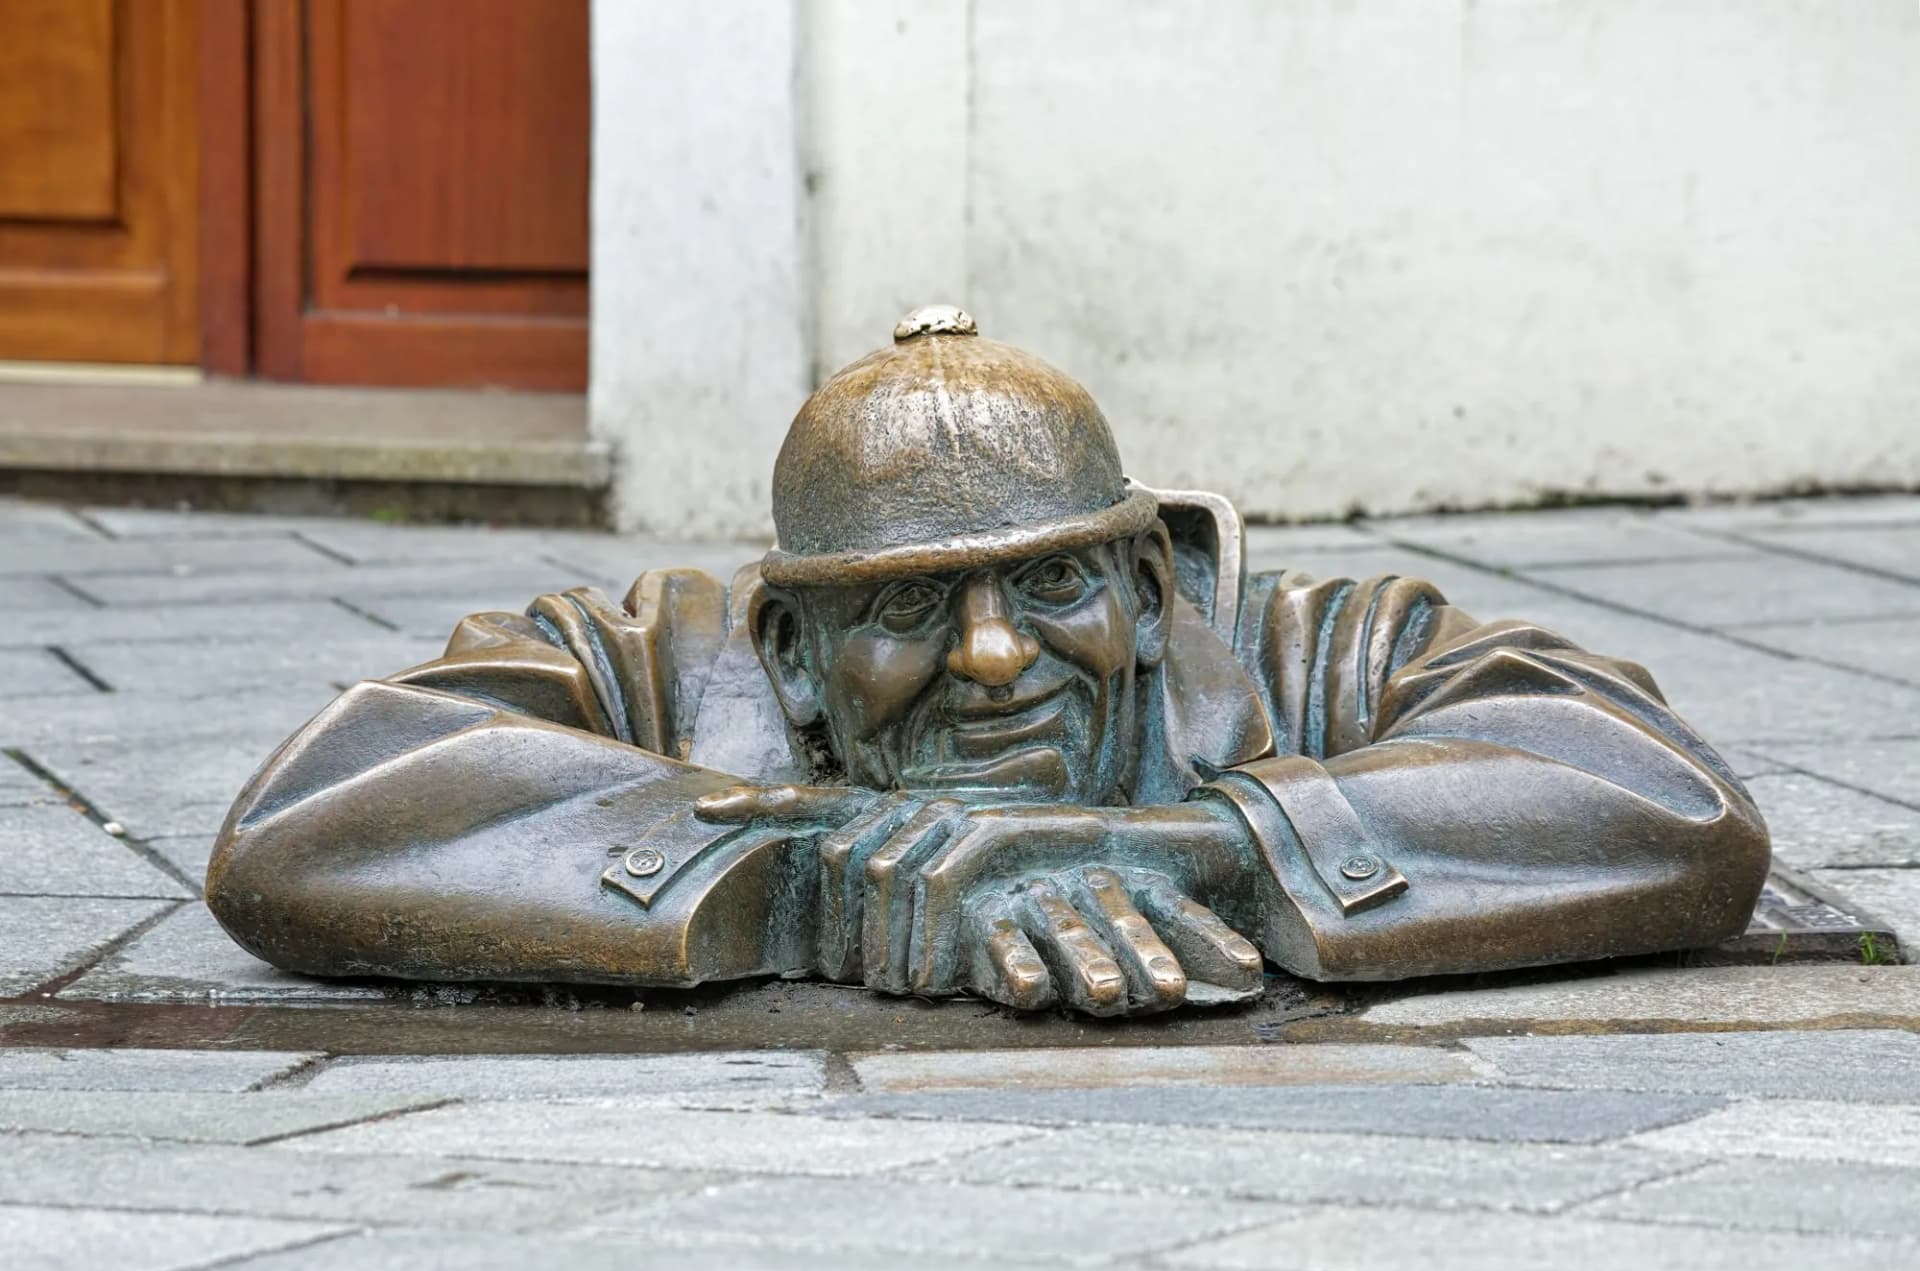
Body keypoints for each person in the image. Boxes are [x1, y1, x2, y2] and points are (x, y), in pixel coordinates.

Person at [207, 307, 1770, 1016]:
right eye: (904, 610)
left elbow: (1668, 804)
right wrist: (825, 867)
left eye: (1060, 583)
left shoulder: (1326, 650)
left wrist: (1178, 848)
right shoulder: (664, 660)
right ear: (792, 648)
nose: (1000, 653)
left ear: (1156, 581)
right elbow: (308, 823)